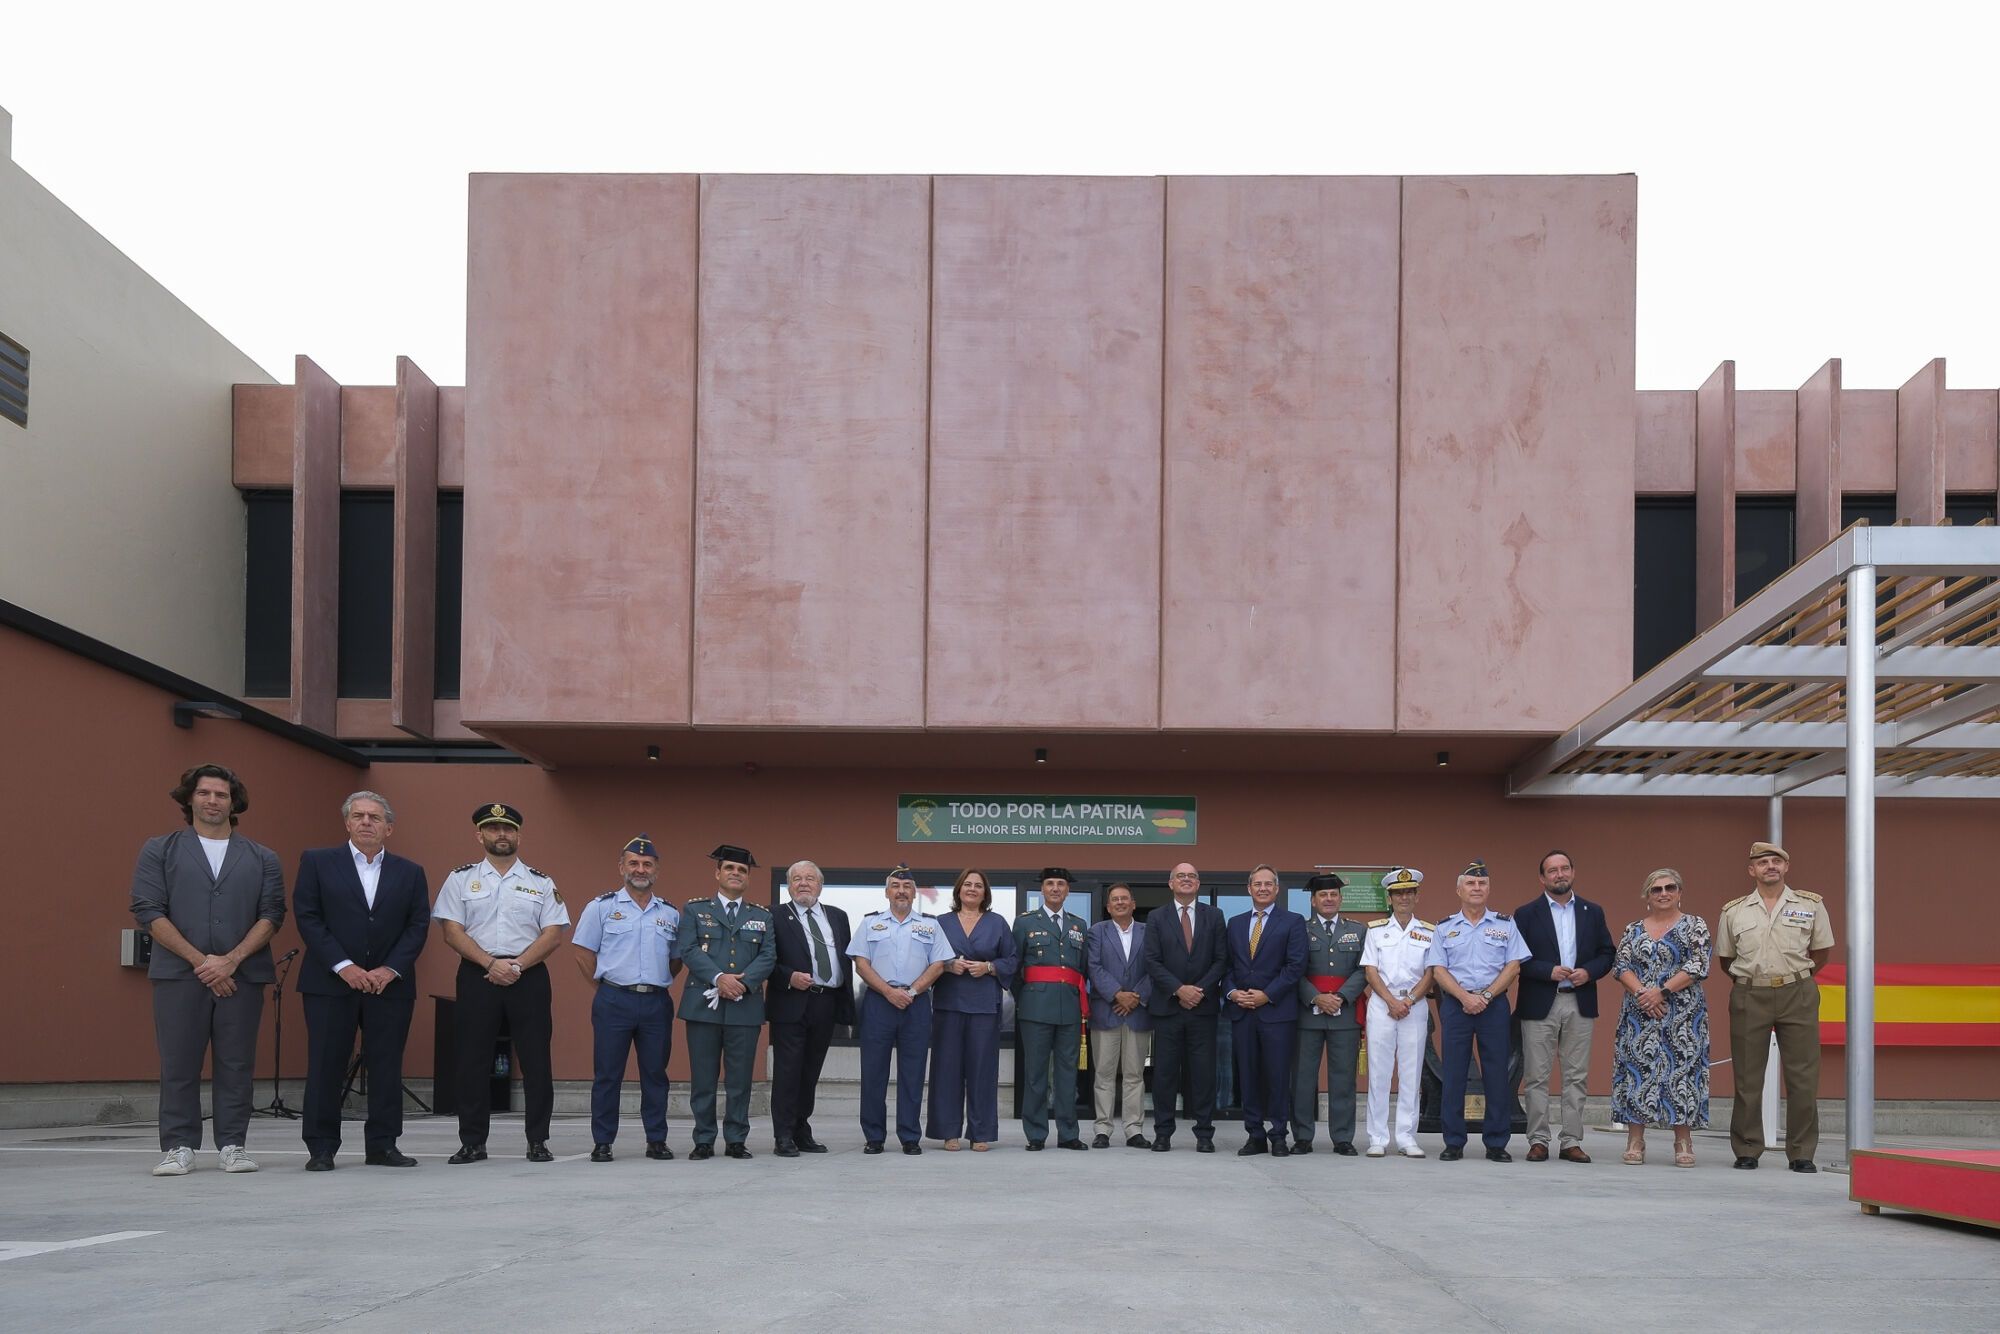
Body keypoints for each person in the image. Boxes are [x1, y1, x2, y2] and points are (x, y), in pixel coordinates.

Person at [129, 763, 286, 1177]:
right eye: (204, 793)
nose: (212, 801)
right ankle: (178, 1146)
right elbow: (148, 909)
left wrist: (231, 960)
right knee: (179, 1062)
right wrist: (202, 962)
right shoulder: (159, 849)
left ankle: (233, 1144)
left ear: (233, 802)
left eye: (221, 794)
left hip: (242, 976)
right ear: (189, 799)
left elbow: (272, 914)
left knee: (237, 1064)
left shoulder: (262, 857)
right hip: (180, 975)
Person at [293, 790, 431, 1171]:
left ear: (389, 827)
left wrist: (389, 970)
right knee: (326, 1064)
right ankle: (321, 1147)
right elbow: (308, 917)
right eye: (358, 816)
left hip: (391, 986)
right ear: (347, 823)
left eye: (374, 817)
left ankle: (383, 1145)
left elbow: (417, 926)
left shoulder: (410, 872)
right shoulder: (318, 862)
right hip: (330, 983)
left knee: (386, 1066)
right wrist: (344, 966)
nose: (366, 822)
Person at [432, 803, 570, 1164]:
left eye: (508, 829)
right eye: (493, 829)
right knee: (472, 1060)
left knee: (537, 1060)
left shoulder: (541, 882)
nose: (501, 835)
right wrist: (491, 964)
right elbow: (451, 931)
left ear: (519, 835)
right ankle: (473, 1142)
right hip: (478, 974)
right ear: (480, 835)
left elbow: (553, 934)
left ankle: (538, 1140)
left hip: (529, 976)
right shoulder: (460, 878)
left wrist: (518, 965)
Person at [1715, 840, 1834, 1173]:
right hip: (1750, 994)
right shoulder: (1734, 911)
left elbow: (1821, 951)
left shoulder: (1810, 905)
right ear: (1752, 870)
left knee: (1803, 1077)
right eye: (1763, 862)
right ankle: (1748, 1147)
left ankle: (1801, 1152)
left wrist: (1795, 976)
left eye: (1777, 861)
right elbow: (1727, 958)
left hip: (1797, 992)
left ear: (1786, 867)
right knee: (1748, 1077)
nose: (1771, 866)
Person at [570, 835, 681, 1163]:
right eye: (633, 863)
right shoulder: (601, 907)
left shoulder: (670, 914)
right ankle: (602, 1142)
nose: (640, 869)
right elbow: (582, 952)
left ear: (657, 870)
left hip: (656, 1003)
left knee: (655, 1074)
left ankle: (656, 1140)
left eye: (647, 864)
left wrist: (656, 982)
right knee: (607, 1074)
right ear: (621, 867)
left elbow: (676, 959)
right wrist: (605, 987)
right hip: (613, 1001)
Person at [1512, 849, 1616, 1163]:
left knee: (1576, 1076)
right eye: (1552, 870)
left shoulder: (1592, 911)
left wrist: (1590, 971)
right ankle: (1538, 1140)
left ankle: (1571, 1140)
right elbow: (1516, 959)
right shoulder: (1526, 913)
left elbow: (1606, 952)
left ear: (1573, 872)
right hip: (1540, 1001)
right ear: (1542, 877)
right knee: (1536, 1076)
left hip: (1579, 1001)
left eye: (1565, 868)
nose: (1560, 874)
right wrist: (1548, 971)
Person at [1425, 859, 1530, 1162]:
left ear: (1488, 889)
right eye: (1470, 883)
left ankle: (1497, 1142)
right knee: (1454, 1073)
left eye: (1482, 883)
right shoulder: (1445, 927)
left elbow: (1513, 966)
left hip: (1493, 1004)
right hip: (1456, 1006)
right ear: (1459, 889)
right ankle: (1453, 1142)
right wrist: (1463, 996)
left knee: (1496, 1073)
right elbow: (1438, 969)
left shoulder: (1505, 924)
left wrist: (1484, 995)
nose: (1477, 888)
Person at [848, 864, 956, 1154]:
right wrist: (888, 991)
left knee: (913, 1072)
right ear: (887, 892)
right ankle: (874, 1136)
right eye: (896, 886)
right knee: (873, 1072)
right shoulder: (870, 923)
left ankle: (910, 1136)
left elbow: (939, 964)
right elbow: (861, 964)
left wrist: (911, 991)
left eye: (907, 887)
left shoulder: (930, 924)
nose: (901, 891)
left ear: (913, 892)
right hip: (878, 1003)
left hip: (916, 1003)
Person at [679, 843, 777, 1160]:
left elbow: (768, 956)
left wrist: (742, 983)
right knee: (703, 1079)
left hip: (744, 1007)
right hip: (703, 1006)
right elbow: (689, 950)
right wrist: (720, 978)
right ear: (718, 873)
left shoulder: (761, 915)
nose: (736, 874)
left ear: (747, 878)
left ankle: (736, 1138)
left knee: (739, 1080)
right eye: (730, 869)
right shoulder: (695, 910)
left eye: (742, 871)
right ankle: (704, 1139)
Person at [1611, 868, 1712, 1167]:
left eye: (1670, 888)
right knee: (1636, 1071)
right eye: (1657, 889)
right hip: (1638, 1014)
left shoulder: (1695, 925)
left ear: (1680, 892)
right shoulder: (1633, 929)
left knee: (1682, 1072)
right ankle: (1635, 1140)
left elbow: (1699, 964)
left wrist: (1662, 992)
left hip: (1682, 1013)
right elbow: (1620, 966)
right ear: (1647, 895)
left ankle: (1683, 1140)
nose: (1664, 893)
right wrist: (1644, 994)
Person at [927, 867, 1017, 1151]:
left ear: (985, 893)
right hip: (948, 1004)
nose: (972, 889)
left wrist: (990, 967)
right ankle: (948, 1131)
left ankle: (981, 1132)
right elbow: (926, 957)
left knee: (982, 1070)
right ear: (958, 890)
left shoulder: (997, 922)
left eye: (978, 885)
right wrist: (947, 965)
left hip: (984, 1007)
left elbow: (1013, 959)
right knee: (947, 1068)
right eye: (967, 884)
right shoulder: (940, 922)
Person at [1141, 862, 1228, 1152]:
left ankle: (1204, 1133)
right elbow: (1151, 960)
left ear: (1198, 883)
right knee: (1165, 1073)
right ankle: (1163, 1133)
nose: (1186, 880)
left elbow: (1221, 960)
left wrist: (1198, 991)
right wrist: (1179, 989)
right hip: (1168, 1008)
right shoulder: (1156, 917)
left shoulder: (1214, 916)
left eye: (1192, 876)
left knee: (1203, 1073)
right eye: (1181, 876)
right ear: (1171, 883)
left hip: (1202, 1008)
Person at [769, 858, 853, 1157]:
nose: (804, 883)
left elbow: (845, 959)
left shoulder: (838, 916)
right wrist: (788, 976)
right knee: (788, 1071)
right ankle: (783, 1135)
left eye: (810, 878)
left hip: (826, 1003)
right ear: (789, 885)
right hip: (791, 1002)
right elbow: (767, 960)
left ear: (820, 884)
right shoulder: (775, 916)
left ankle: (802, 1129)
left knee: (810, 1071)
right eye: (797, 879)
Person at [1224, 865, 1308, 1156]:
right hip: (1242, 1012)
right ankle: (1255, 1135)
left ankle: (1279, 1135)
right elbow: (1228, 966)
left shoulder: (1293, 921)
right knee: (1248, 1077)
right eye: (1257, 884)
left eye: (1268, 884)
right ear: (1248, 889)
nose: (1262, 888)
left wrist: (1266, 995)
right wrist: (1233, 993)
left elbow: (1295, 966)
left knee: (1276, 1076)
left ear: (1276, 889)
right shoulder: (1234, 923)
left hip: (1277, 1012)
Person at [1013, 867, 1092, 1151]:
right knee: (1035, 1074)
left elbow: (1081, 968)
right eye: (1050, 884)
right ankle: (1036, 1133)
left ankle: (1068, 1133)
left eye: (1061, 884)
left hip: (1069, 1008)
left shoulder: (1078, 925)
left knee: (1067, 1073)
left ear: (1067, 890)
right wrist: (1026, 997)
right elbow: (1014, 967)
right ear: (1042, 890)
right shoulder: (1024, 923)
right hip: (1035, 1007)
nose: (1056, 888)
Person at [1360, 867, 1435, 1158]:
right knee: (1379, 1073)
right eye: (1398, 893)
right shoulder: (1376, 929)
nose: (1404, 897)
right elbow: (1370, 971)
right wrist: (1392, 1001)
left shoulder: (1428, 931)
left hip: (1414, 1006)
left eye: (1409, 892)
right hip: (1382, 1005)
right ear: (1389, 898)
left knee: (1411, 1072)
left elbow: (1431, 972)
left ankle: (1406, 1136)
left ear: (1417, 896)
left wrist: (1410, 999)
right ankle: (1377, 1137)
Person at [1291, 873, 1366, 1155]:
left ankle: (1343, 1138)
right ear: (1313, 900)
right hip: (1308, 1014)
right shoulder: (1300, 929)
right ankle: (1302, 1136)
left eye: (1333, 894)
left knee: (1343, 1078)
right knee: (1302, 1078)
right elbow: (1292, 969)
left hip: (1344, 1013)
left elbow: (1364, 969)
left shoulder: (1358, 931)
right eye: (1323, 895)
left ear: (1340, 898)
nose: (1329, 899)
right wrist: (1315, 997)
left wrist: (1341, 997)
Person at [1086, 884, 1153, 1148]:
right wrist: (1117, 994)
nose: (1120, 902)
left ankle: (1133, 1130)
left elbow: (1155, 967)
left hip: (1137, 1013)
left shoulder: (1149, 932)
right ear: (1108, 906)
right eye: (1115, 899)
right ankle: (1103, 1129)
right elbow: (1094, 967)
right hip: (1106, 1011)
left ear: (1133, 904)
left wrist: (1135, 996)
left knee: (1135, 1074)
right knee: (1103, 1073)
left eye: (1125, 898)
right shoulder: (1096, 932)